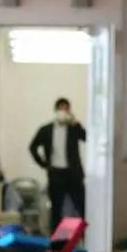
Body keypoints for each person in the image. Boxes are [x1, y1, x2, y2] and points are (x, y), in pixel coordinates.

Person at [29, 98, 87, 233]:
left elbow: (86, 137)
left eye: (66, 109)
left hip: (74, 174)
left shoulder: (73, 129)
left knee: (82, 206)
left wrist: (76, 123)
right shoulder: (46, 130)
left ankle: (85, 240)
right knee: (56, 210)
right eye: (61, 109)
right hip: (56, 174)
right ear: (56, 111)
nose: (63, 112)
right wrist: (43, 164)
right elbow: (32, 147)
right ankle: (57, 245)